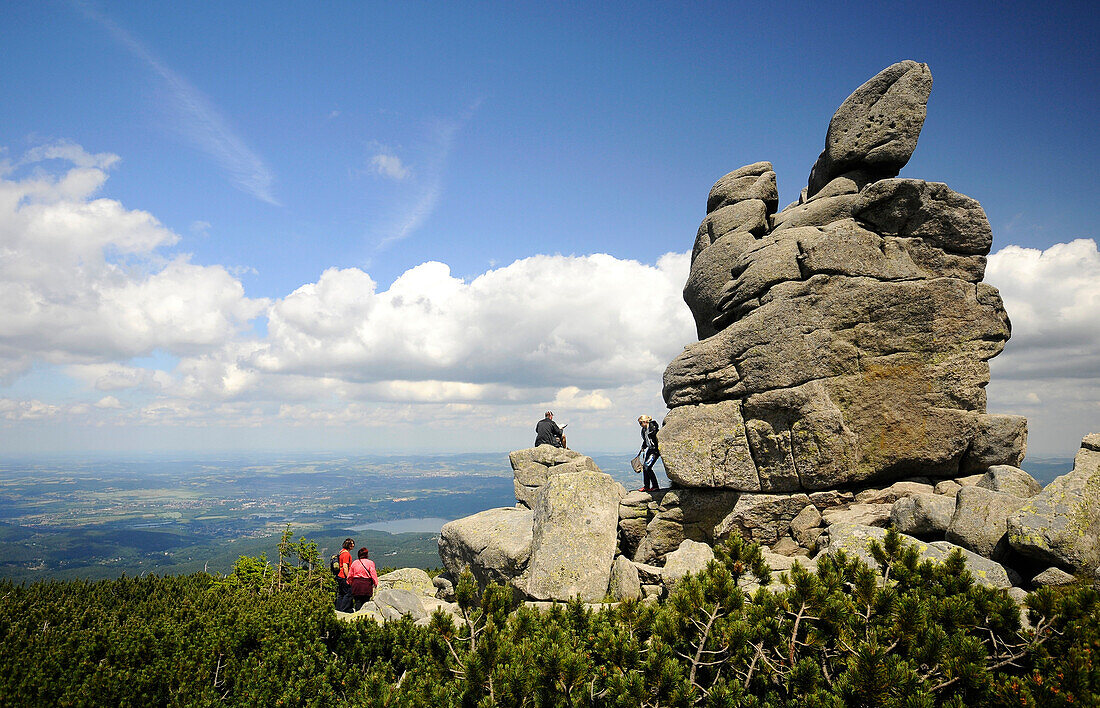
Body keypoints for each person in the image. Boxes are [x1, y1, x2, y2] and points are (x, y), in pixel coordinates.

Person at [347, 547, 380, 611]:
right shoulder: (370, 563)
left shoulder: (355, 563)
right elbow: (373, 574)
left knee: (357, 602)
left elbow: (350, 575)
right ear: (366, 555)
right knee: (366, 603)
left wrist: (350, 583)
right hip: (366, 585)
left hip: (356, 585)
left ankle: (358, 616)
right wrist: (376, 583)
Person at [637, 415, 661, 492]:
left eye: (640, 423)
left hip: (655, 450)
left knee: (647, 467)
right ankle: (646, 486)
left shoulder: (653, 427)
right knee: (645, 468)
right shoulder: (644, 430)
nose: (640, 425)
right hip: (650, 450)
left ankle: (655, 486)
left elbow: (654, 437)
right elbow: (646, 440)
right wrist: (643, 446)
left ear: (645, 421)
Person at [335, 537, 355, 612]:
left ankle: (338, 608)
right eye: (352, 544)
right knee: (348, 593)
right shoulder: (346, 554)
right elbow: (345, 566)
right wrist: (348, 577)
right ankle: (345, 609)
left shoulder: (342, 552)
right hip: (343, 576)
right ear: (348, 545)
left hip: (339, 576)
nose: (353, 545)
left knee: (341, 593)